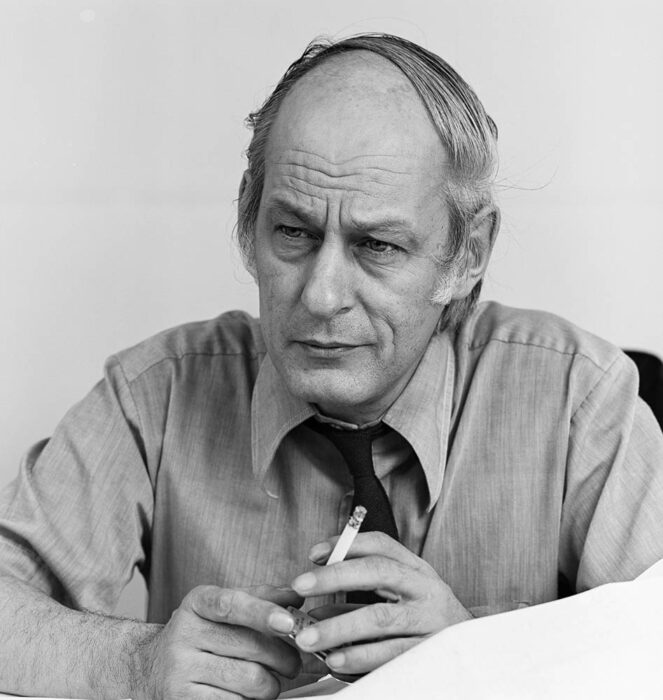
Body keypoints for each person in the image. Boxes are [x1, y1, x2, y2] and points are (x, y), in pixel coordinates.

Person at [1, 33, 662, 700]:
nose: (320, 297)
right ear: (247, 222)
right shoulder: (157, 395)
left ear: (468, 254)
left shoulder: (578, 398)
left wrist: (475, 658)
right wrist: (132, 663)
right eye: (293, 232)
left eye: (376, 245)